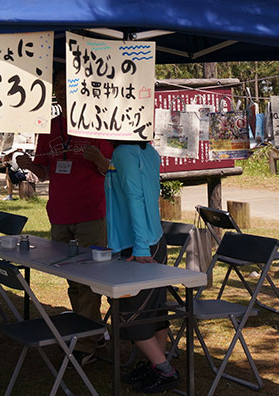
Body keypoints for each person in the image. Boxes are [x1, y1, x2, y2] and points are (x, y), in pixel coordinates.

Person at [16, 67, 113, 365]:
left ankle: (86, 345)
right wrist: (29, 164)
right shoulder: (49, 126)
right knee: (71, 279)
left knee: (90, 278)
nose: (59, 88)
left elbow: (110, 168)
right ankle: (89, 332)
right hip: (59, 213)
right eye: (55, 83)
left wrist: (98, 159)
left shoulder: (96, 122)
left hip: (90, 213)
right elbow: (44, 173)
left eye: (64, 83)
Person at [105, 140, 179, 393]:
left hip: (140, 245)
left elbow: (135, 197)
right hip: (151, 239)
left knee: (131, 314)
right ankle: (155, 364)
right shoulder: (148, 151)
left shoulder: (123, 152)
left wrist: (139, 247)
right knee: (154, 311)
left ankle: (164, 370)